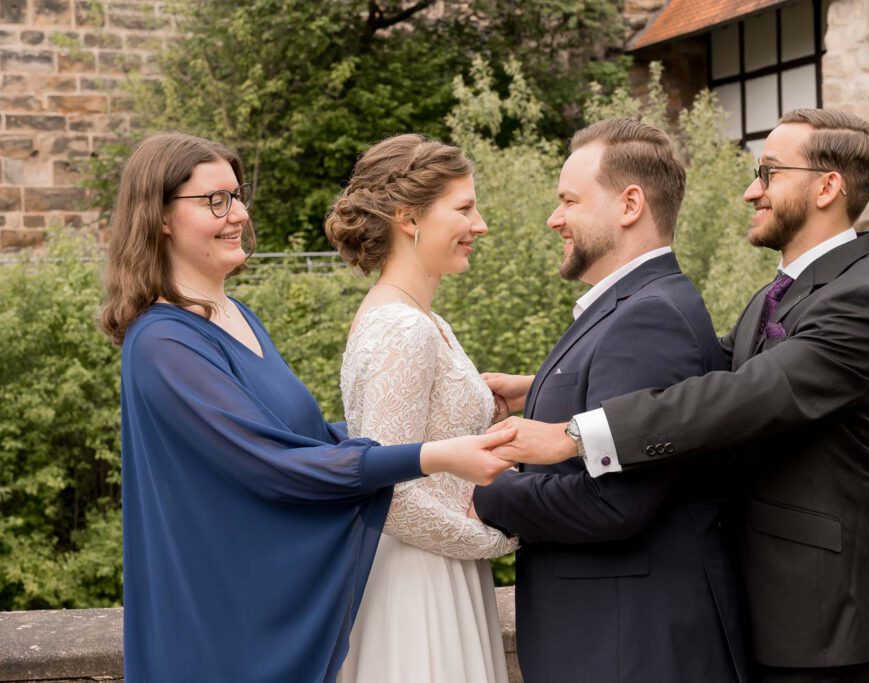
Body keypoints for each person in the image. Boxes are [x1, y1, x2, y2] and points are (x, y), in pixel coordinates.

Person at [489, 109, 869, 682]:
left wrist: (573, 437)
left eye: (768, 173)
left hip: (822, 622)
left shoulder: (861, 301)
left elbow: (742, 395)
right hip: (757, 604)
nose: (749, 191)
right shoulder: (779, 292)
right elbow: (703, 367)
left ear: (826, 186)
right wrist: (538, 388)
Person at [100, 133, 516, 683]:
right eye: (216, 201)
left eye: (238, 195)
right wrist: (434, 456)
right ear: (160, 218)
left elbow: (308, 438)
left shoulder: (236, 315)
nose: (239, 215)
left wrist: (454, 419)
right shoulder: (162, 344)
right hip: (223, 616)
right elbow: (274, 465)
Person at [470, 119, 747, 682]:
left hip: (629, 648)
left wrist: (485, 494)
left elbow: (614, 505)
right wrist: (543, 384)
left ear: (629, 205)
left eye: (569, 200)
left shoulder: (647, 318)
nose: (554, 218)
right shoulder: (641, 305)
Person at [324, 134, 518, 683]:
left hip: (439, 566)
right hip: (417, 582)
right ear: (408, 218)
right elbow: (392, 498)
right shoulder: (401, 328)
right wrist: (503, 537)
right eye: (463, 208)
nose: (479, 224)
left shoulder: (423, 320)